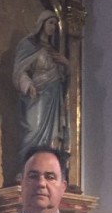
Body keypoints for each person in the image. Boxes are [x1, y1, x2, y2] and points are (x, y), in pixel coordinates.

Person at [12, 11, 70, 180]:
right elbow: (19, 70)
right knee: (32, 130)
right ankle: (26, 172)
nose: (53, 27)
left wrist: (66, 64)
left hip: (53, 98)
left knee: (51, 138)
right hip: (36, 95)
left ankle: (50, 172)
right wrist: (27, 84)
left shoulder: (54, 51)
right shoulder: (28, 45)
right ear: (42, 24)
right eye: (50, 23)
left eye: (55, 24)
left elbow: (65, 79)